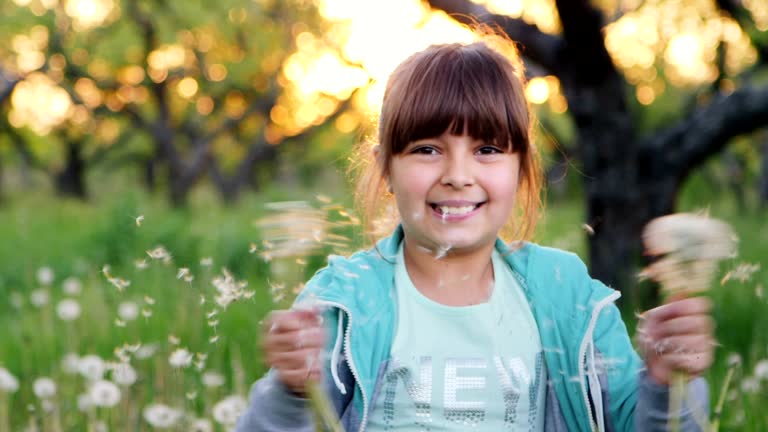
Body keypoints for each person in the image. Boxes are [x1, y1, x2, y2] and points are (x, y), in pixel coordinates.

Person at [236, 31, 713, 432]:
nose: (458, 175)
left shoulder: (565, 297)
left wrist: (668, 382)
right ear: (385, 169)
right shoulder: (343, 302)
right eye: (426, 149)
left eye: (487, 149)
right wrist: (291, 392)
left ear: (522, 168)